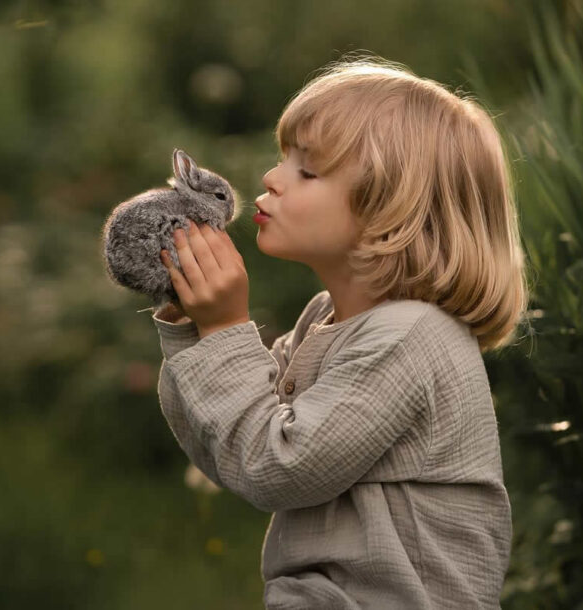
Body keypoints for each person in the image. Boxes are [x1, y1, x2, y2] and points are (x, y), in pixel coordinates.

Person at [153, 54, 530, 609]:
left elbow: (274, 467)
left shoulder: (411, 337)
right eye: (285, 159)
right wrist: (194, 328)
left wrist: (225, 328)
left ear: (391, 213)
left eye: (307, 171)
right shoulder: (326, 319)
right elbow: (232, 446)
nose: (271, 178)